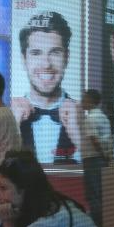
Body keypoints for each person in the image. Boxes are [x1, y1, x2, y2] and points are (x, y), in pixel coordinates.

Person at [11, 12, 81, 165]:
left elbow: (101, 172)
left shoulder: (83, 117)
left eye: (55, 52)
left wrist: (79, 136)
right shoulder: (7, 116)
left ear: (67, 58)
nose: (46, 64)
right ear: (24, 59)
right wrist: (12, 126)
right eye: (36, 53)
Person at [79, 89, 111, 227]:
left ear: (91, 101)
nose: (82, 102)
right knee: (102, 194)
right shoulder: (103, 117)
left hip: (92, 160)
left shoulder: (90, 118)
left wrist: (101, 153)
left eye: (84, 99)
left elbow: (94, 140)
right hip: (102, 160)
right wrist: (106, 156)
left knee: (93, 195)